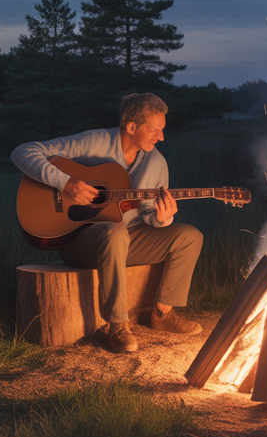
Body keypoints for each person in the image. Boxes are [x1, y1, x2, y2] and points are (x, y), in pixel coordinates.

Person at [11, 93, 203, 353]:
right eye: (155, 130)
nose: (161, 138)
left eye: (163, 130)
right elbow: (23, 152)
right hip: (79, 240)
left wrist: (162, 217)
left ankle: (162, 314)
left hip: (127, 237)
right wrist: (65, 183)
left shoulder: (156, 162)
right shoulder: (95, 142)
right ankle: (118, 324)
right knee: (114, 232)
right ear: (131, 127)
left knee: (189, 236)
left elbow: (148, 213)